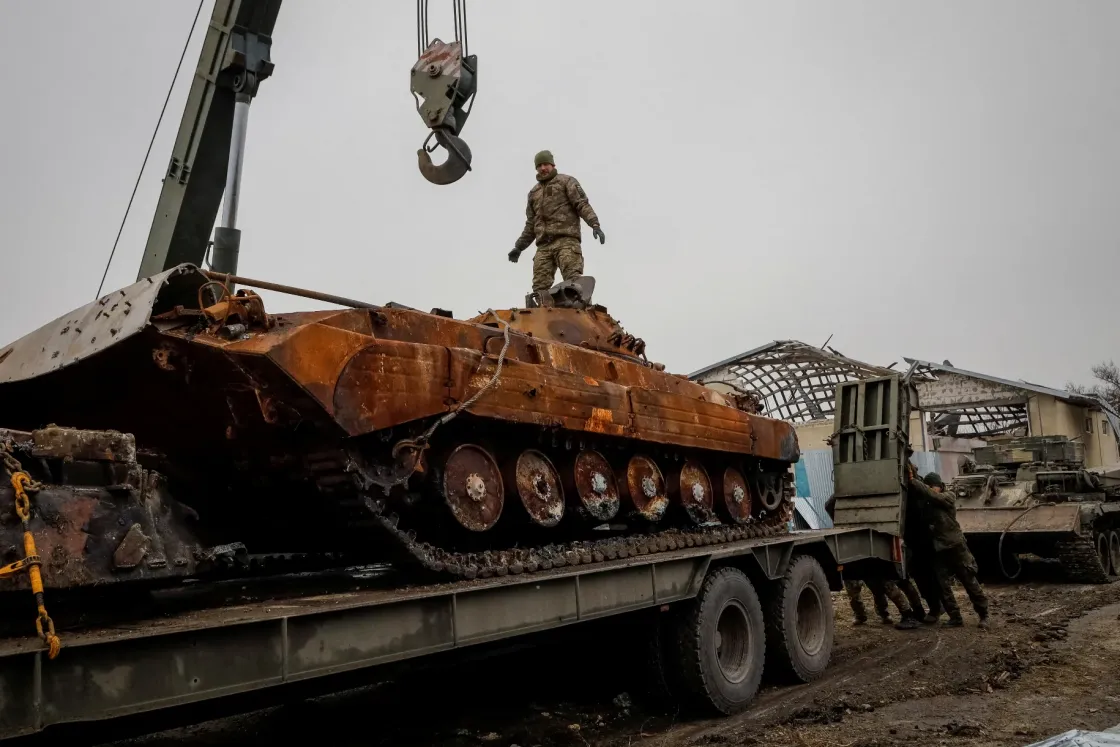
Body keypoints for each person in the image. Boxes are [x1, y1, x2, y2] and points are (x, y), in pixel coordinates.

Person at [508, 150, 605, 297]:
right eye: (539, 165)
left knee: (574, 283)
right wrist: (519, 247)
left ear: (552, 165)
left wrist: (595, 224)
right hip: (544, 247)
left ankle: (581, 316)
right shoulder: (534, 193)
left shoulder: (566, 182)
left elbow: (581, 204)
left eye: (546, 164)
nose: (543, 168)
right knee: (539, 289)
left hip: (566, 241)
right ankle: (542, 317)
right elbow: (531, 224)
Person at [909, 470, 991, 629]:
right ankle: (955, 617)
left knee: (969, 582)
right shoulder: (927, 502)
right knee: (943, 587)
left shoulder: (948, 496)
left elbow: (931, 495)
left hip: (955, 547)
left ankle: (984, 615)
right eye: (929, 486)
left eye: (934, 486)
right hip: (939, 550)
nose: (932, 489)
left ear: (940, 486)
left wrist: (914, 481)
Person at [826, 495, 922, 630]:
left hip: (867, 548)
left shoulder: (869, 502)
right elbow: (829, 505)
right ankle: (862, 615)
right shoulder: (841, 504)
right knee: (857, 588)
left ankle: (898, 614)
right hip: (856, 549)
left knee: (882, 585)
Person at [903, 457, 948, 624]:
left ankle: (940, 608)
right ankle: (935, 607)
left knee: (932, 577)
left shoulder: (921, 488)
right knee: (921, 577)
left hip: (926, 542)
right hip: (914, 541)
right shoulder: (910, 487)